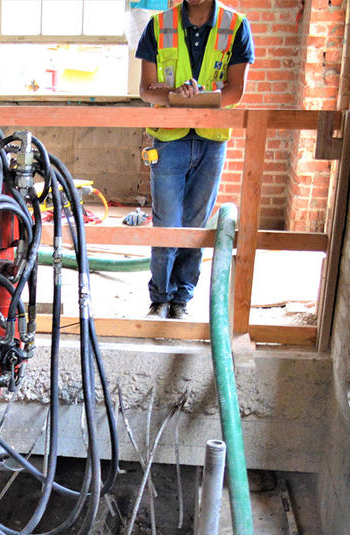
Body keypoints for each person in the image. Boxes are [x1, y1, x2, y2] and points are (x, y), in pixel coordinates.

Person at [136, 0, 254, 319]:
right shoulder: (159, 26)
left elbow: (235, 91)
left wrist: (199, 97)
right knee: (166, 221)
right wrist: (176, 93)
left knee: (195, 222)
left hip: (211, 138)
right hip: (170, 137)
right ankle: (160, 297)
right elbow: (146, 90)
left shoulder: (236, 26)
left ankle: (181, 298)